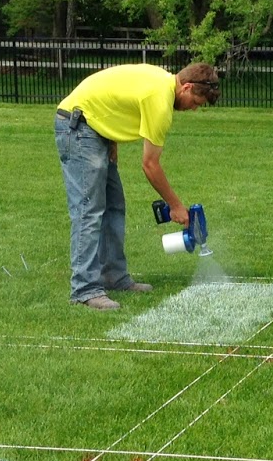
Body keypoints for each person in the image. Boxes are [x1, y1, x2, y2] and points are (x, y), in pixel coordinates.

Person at [55, 61, 219, 309]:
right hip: (78, 126)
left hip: (94, 127)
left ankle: (114, 276)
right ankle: (84, 289)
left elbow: (115, 97)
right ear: (186, 87)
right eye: (195, 103)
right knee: (88, 209)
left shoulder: (162, 81)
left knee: (114, 205)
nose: (193, 110)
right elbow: (150, 165)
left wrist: (111, 138)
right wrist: (175, 206)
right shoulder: (160, 102)